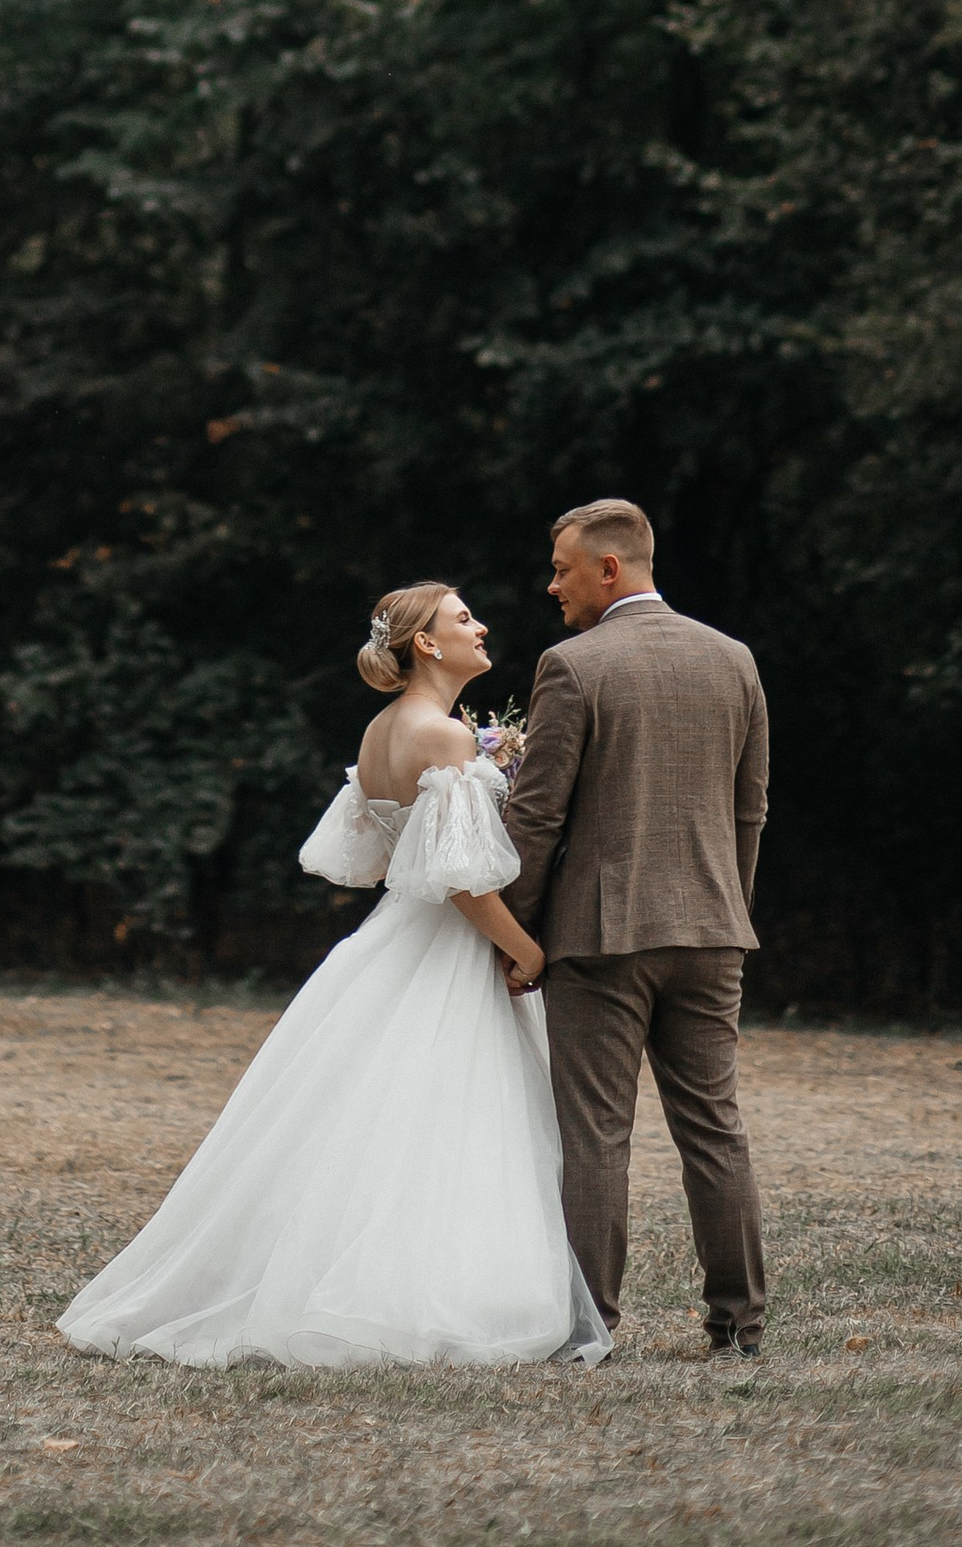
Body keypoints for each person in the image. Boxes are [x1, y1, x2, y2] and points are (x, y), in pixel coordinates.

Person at [57, 583, 606, 1370]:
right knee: (445, 1118)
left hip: (392, 940)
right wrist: (527, 950)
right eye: (463, 619)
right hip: (445, 949)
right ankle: (428, 1295)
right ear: (426, 643)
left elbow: (379, 861)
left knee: (375, 1117)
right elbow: (460, 882)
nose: (481, 626)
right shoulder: (445, 737)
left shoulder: (383, 729)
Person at [501, 497, 770, 1359]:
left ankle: (590, 1329)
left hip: (601, 936)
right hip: (713, 930)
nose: (553, 586)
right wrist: (726, 906)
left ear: (608, 568)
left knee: (596, 1137)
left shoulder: (573, 666)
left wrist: (513, 933)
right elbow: (750, 810)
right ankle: (739, 1324)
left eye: (563, 570)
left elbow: (537, 817)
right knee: (715, 1129)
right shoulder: (734, 659)